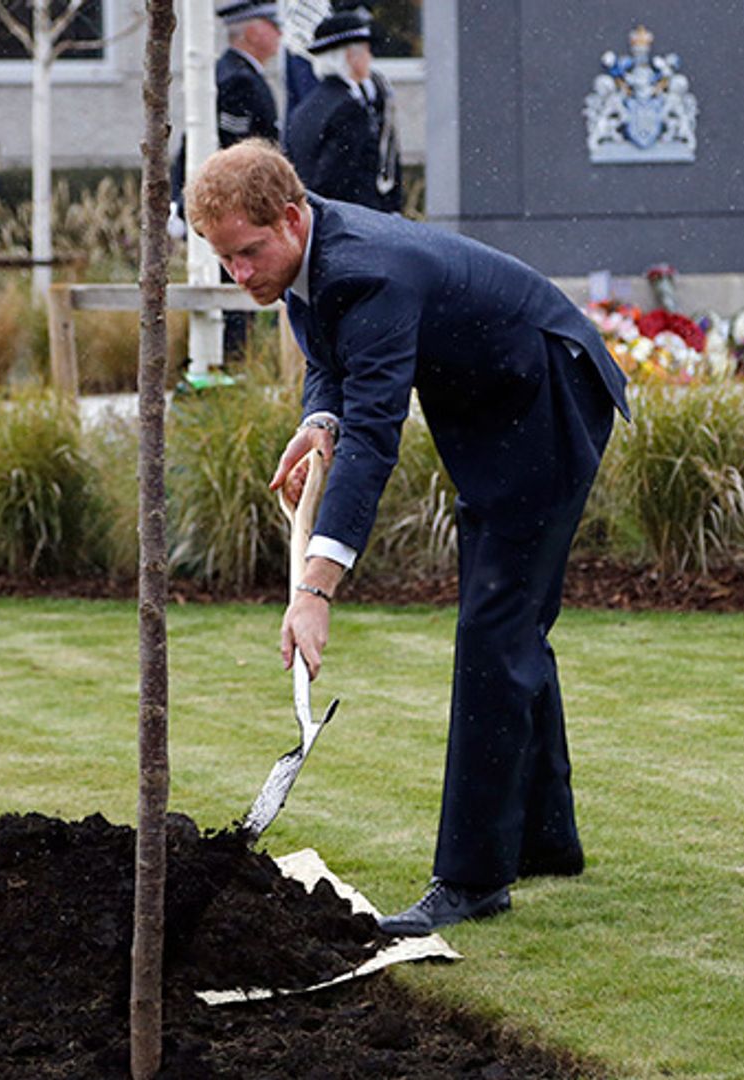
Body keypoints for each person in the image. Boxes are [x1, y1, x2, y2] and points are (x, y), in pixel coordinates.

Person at [184, 139, 629, 936]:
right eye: (225, 261)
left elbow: (377, 436)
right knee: (511, 623)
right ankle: (545, 840)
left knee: (495, 631)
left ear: (291, 216)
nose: (239, 275)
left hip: (548, 401)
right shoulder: (303, 261)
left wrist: (315, 589)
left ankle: (471, 881)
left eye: (248, 254)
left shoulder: (370, 271)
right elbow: (334, 362)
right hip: (495, 411)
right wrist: (318, 419)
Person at [169, 0, 282, 356]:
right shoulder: (237, 81)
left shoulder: (238, 75)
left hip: (231, 211)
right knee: (232, 296)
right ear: (251, 31)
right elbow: (232, 156)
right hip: (233, 212)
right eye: (272, 25)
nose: (280, 35)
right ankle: (227, 364)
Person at [284, 6, 402, 213]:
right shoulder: (348, 110)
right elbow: (340, 182)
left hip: (318, 218)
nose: (369, 58)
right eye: (366, 50)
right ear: (351, 56)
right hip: (351, 224)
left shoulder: (305, 107)